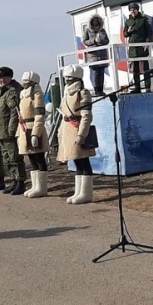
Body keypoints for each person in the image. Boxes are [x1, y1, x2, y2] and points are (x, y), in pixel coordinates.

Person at [57, 64, 96, 204]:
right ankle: (78, 191)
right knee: (76, 161)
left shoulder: (83, 92)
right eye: (66, 78)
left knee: (83, 161)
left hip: (78, 129)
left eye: (70, 78)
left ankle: (86, 193)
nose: (67, 80)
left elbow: (86, 116)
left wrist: (82, 134)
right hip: (68, 129)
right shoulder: (67, 92)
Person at [0, 67, 27, 195]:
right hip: (0, 131)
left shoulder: (13, 91)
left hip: (8, 131)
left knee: (15, 158)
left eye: (4, 77)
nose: (1, 80)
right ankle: (13, 180)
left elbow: (14, 112)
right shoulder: (1, 92)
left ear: (10, 77)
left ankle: (20, 181)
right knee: (7, 159)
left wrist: (11, 130)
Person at [17, 71, 50, 198]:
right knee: (31, 159)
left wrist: (36, 133)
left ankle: (41, 188)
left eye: (27, 82)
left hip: (34, 128)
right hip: (25, 128)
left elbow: (40, 115)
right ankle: (35, 185)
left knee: (39, 158)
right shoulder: (23, 95)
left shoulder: (37, 95)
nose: (24, 84)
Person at [124, 2, 153, 93]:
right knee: (135, 68)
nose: (133, 11)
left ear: (137, 10)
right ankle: (137, 87)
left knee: (145, 67)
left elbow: (149, 32)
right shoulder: (127, 22)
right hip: (132, 48)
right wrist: (128, 32)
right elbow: (125, 34)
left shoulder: (143, 20)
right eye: (131, 10)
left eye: (134, 9)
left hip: (142, 46)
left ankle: (148, 87)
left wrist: (147, 43)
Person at [82, 14, 109, 96]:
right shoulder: (88, 30)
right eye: (94, 20)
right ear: (91, 21)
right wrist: (94, 41)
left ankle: (101, 90)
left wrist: (101, 41)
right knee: (95, 72)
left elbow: (107, 41)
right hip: (93, 54)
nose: (95, 22)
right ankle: (96, 90)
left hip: (102, 54)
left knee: (101, 72)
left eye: (96, 20)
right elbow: (85, 41)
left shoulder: (102, 30)